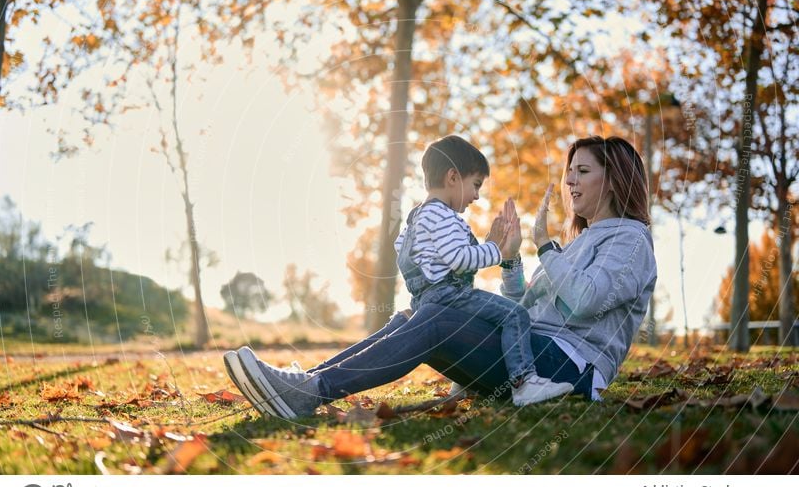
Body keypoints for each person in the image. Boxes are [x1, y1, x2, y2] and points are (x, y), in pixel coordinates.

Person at [223, 135, 657, 420]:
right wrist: (508, 259)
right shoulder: (579, 243)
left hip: (573, 369)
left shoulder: (631, 240)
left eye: (583, 171)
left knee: (441, 318)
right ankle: (304, 382)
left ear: (615, 180)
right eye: (569, 172)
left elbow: (585, 301)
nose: (570, 181)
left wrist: (544, 245)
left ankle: (310, 392)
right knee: (412, 316)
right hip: (535, 359)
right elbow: (523, 309)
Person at [394, 135, 573, 405]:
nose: (477, 196)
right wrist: (496, 250)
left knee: (484, 325)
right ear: (453, 177)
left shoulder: (417, 215)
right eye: (475, 185)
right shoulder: (442, 215)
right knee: (515, 314)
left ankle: (465, 383)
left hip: (423, 298)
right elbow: (458, 258)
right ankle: (524, 382)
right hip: (449, 294)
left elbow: (401, 248)